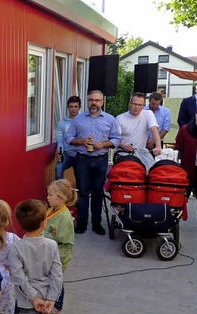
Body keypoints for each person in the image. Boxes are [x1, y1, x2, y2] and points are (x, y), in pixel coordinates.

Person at [4, 200, 63, 314]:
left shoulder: (16, 247)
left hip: (25, 302)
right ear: (44, 223)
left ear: (21, 224)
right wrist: (52, 299)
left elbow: (19, 277)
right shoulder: (52, 245)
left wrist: (33, 297)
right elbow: (57, 275)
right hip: (46, 300)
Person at [66, 90, 121, 235]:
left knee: (97, 192)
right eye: (91, 100)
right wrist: (81, 141)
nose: (94, 103)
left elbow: (117, 139)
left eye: (97, 100)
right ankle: (82, 224)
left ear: (102, 102)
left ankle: (97, 224)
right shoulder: (78, 119)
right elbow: (69, 138)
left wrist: (103, 144)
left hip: (100, 159)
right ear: (87, 101)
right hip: (82, 159)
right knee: (83, 192)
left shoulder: (110, 119)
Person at [43, 180, 77, 314]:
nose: (47, 197)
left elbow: (61, 239)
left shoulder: (64, 217)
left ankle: (57, 305)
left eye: (50, 195)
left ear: (61, 198)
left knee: (56, 279)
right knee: (52, 278)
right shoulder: (52, 209)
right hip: (50, 252)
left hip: (60, 254)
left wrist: (44, 234)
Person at [175, 104, 197, 230]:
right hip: (187, 168)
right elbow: (178, 147)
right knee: (181, 194)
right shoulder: (185, 129)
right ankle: (175, 218)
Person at [116, 92, 162, 169]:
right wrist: (123, 145)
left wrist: (158, 146)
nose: (136, 107)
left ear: (144, 106)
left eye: (140, 105)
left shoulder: (148, 114)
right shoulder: (120, 118)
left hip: (142, 153)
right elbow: (115, 139)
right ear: (130, 103)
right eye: (134, 104)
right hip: (124, 154)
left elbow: (154, 129)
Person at [55, 96, 81, 181]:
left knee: (81, 177)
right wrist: (60, 152)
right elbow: (60, 140)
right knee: (58, 168)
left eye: (75, 107)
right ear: (67, 107)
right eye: (71, 107)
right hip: (67, 154)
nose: (73, 109)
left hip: (81, 155)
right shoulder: (62, 123)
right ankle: (59, 192)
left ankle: (82, 193)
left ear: (79, 107)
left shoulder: (84, 121)